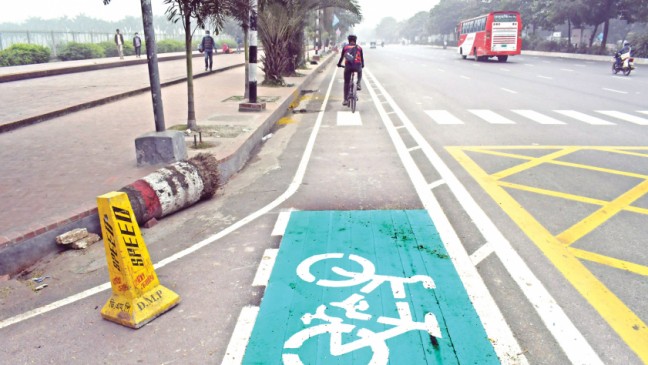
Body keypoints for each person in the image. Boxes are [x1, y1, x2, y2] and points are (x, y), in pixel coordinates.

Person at [336, 34, 365, 106]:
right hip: (357, 67)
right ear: (355, 40)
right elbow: (362, 59)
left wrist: (339, 64)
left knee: (346, 82)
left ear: (348, 40)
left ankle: (345, 99)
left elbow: (342, 57)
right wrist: (362, 65)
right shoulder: (359, 48)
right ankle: (358, 83)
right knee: (360, 70)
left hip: (348, 67)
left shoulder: (345, 47)